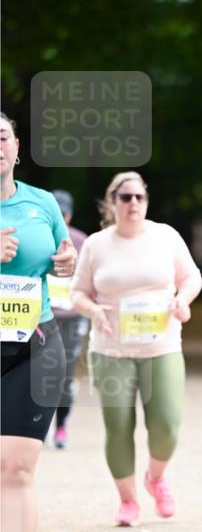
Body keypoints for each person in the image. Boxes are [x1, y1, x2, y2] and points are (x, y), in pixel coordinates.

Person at [71, 172, 202, 526]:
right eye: (125, 197)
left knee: (166, 425)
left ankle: (156, 478)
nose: (133, 203)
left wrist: (182, 300)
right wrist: (94, 310)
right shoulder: (97, 244)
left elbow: (192, 277)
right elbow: (77, 292)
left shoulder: (166, 236)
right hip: (110, 348)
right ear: (111, 202)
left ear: (146, 201)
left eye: (139, 197)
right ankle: (127, 501)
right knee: (118, 426)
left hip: (161, 345)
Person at [1, 112, 77, 532]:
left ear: (17, 147)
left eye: (1, 138)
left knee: (17, 468)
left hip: (34, 342)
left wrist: (66, 262)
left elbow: (58, 260)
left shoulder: (41, 202)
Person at [49, 189, 89, 449]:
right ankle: (33, 425)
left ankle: (61, 425)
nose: (62, 219)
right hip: (40, 317)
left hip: (72, 318)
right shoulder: (36, 236)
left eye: (64, 213)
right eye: (57, 213)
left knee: (64, 375)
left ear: (70, 215)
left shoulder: (82, 242)